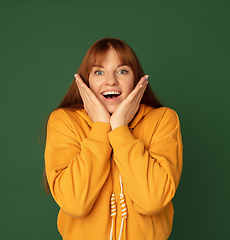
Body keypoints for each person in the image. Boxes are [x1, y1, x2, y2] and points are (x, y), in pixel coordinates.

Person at [44, 37, 183, 240]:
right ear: (85, 81)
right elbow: (75, 204)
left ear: (137, 80)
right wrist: (101, 126)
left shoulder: (163, 120)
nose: (111, 81)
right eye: (99, 72)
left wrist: (119, 128)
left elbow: (152, 200)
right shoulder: (64, 121)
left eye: (122, 71)